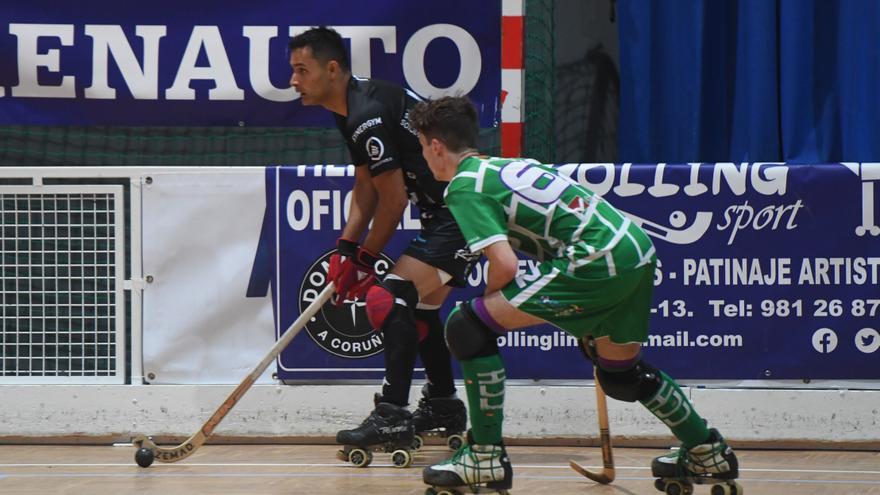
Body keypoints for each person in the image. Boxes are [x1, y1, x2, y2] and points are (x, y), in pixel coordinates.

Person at [408, 96, 740, 493]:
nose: (423, 158)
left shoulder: (465, 186)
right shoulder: (509, 165)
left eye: (422, 147)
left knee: (467, 328)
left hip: (596, 258)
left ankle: (484, 457)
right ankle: (706, 449)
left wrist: (488, 310)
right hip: (633, 249)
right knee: (620, 374)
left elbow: (505, 265)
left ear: (436, 147)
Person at [287, 28, 472, 459]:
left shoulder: (365, 113)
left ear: (332, 69)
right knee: (421, 310)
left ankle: (392, 413)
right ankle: (443, 405)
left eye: (302, 70)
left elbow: (393, 199)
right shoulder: (352, 108)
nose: (293, 81)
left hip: (460, 211)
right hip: (444, 211)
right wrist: (347, 250)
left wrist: (367, 260)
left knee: (386, 300)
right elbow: (367, 185)